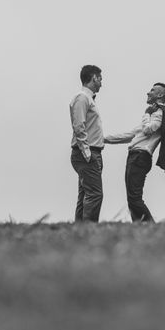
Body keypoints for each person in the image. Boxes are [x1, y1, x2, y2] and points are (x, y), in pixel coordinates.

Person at [105, 82, 165, 222]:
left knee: (134, 198)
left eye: (152, 91)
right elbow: (131, 134)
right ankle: (139, 227)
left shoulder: (160, 113)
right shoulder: (154, 114)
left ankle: (150, 225)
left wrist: (147, 113)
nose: (148, 93)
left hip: (140, 157)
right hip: (135, 157)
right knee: (132, 198)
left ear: (160, 95)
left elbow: (148, 129)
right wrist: (102, 139)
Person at [69, 65, 105, 222]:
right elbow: (79, 125)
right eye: (100, 79)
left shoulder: (87, 98)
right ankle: (89, 229)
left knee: (85, 193)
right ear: (94, 78)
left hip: (90, 152)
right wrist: (87, 152)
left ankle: (80, 230)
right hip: (86, 153)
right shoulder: (82, 97)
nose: (102, 83)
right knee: (95, 194)